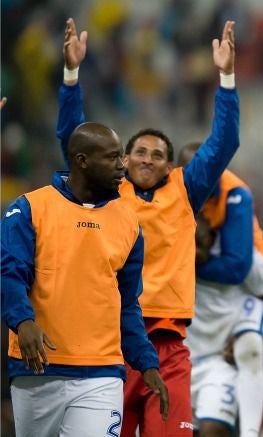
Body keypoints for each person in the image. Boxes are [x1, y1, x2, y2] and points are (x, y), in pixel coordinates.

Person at [56, 18, 240, 436]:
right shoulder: (109, 190)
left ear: (171, 166)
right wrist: (71, 76)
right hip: (109, 344)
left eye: (158, 154)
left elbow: (224, 142)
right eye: (138, 151)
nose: (147, 158)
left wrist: (226, 77)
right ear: (123, 159)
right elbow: (74, 141)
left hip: (168, 346)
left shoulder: (185, 189)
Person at [1, 122, 168, 436]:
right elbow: (9, 275)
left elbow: (127, 305)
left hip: (102, 374)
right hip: (38, 369)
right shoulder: (29, 209)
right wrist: (22, 322)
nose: (123, 165)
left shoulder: (130, 224)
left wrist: (146, 363)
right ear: (81, 161)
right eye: (112, 158)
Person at [179, 144, 263, 437]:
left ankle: (250, 432)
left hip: (219, 355)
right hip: (179, 354)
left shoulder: (240, 248)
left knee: (249, 348)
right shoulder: (165, 243)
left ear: (214, 232)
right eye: (189, 242)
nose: (195, 250)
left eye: (202, 240)